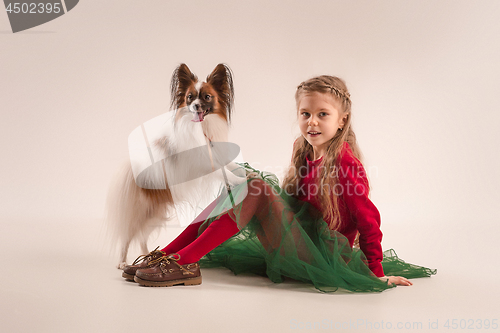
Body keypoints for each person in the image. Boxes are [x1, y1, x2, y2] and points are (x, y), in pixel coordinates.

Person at [122, 75, 436, 292]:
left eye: (322, 114)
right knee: (242, 182)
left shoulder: (345, 165)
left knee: (254, 186)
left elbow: (370, 220)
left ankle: (184, 262)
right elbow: (289, 206)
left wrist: (376, 275)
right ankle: (170, 254)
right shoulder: (303, 150)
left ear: (342, 120)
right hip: (299, 244)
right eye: (306, 113)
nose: (312, 121)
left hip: (325, 257)